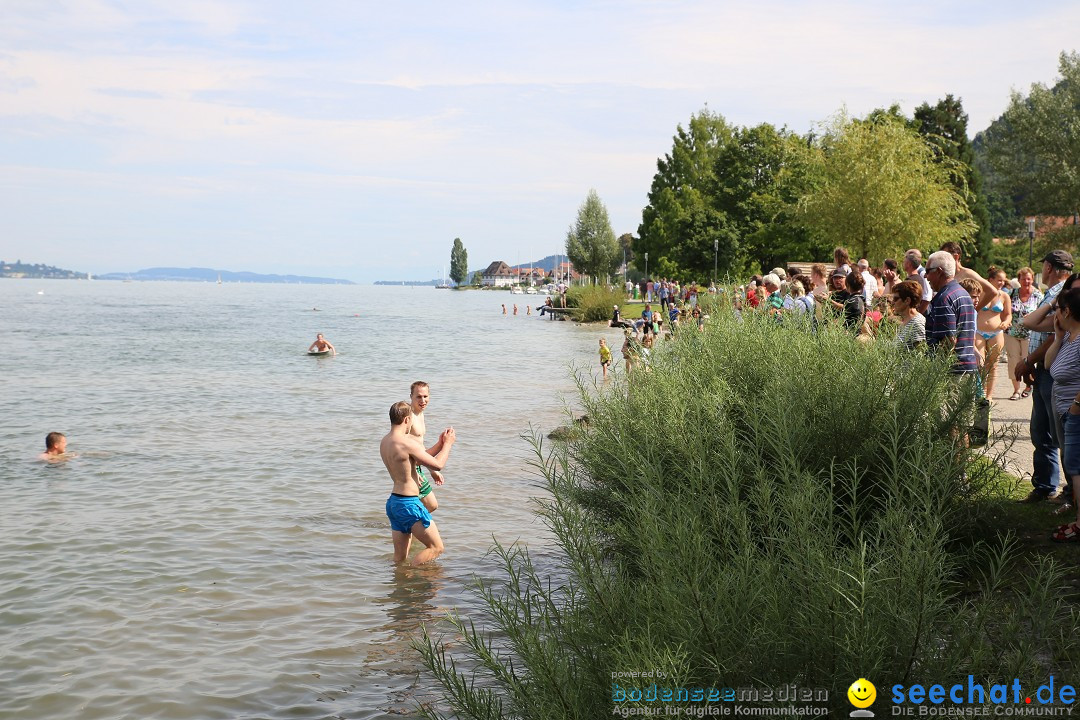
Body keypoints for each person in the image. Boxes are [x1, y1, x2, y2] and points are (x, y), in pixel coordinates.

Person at [1015, 251, 1075, 502]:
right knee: (1044, 432)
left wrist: (1029, 359)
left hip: (1055, 371)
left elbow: (1052, 335)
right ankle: (1046, 485)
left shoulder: (1061, 295)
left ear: (1048, 267)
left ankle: (1068, 490)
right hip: (1044, 369)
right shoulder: (1057, 294)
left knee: (1059, 433)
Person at [380, 401, 455, 565]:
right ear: (407, 420)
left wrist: (440, 443)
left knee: (399, 559)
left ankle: (401, 585)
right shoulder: (405, 442)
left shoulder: (385, 442)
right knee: (436, 548)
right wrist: (448, 444)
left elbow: (416, 458)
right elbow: (438, 465)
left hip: (394, 503)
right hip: (409, 504)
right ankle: (415, 574)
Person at [1046, 288, 1080, 540]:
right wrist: (1057, 337)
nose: (1055, 313)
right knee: (1073, 466)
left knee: (1076, 467)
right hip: (1068, 413)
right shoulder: (1069, 337)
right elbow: (1048, 365)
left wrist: (1076, 406)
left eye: (1057, 308)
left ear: (1067, 311)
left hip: (1076, 413)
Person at [408, 381, 446, 513]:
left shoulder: (420, 413)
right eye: (418, 397)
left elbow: (419, 446)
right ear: (411, 396)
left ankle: (405, 529)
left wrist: (432, 470)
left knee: (421, 504)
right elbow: (402, 446)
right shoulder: (408, 416)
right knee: (431, 505)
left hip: (417, 464)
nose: (423, 400)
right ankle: (407, 529)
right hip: (409, 466)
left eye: (425, 396)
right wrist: (412, 471)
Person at [974, 267, 1012, 401]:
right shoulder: (981, 292)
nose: (1001, 283)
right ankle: (980, 392)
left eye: (1003, 281)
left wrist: (1006, 322)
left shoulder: (1004, 296)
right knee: (980, 362)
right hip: (978, 331)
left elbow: (1008, 315)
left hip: (996, 333)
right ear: (990, 280)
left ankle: (989, 396)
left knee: (992, 365)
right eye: (999, 280)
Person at [1006, 267, 1042, 400]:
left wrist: (1033, 315)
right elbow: (1005, 310)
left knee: (1028, 361)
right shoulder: (1011, 293)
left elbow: (1043, 312)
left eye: (1029, 278)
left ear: (1032, 279)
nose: (1026, 281)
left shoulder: (1038, 295)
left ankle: (1028, 386)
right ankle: (1016, 390)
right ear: (1019, 279)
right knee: (1013, 361)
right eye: (1023, 278)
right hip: (1012, 333)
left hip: (1030, 334)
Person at [891, 280, 926, 350]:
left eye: (896, 299)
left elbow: (920, 355)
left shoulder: (917, 323)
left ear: (907, 300)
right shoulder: (905, 321)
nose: (892, 302)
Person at [903, 250, 932, 315]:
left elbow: (928, 296)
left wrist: (918, 314)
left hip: (923, 310)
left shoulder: (922, 273)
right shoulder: (912, 274)